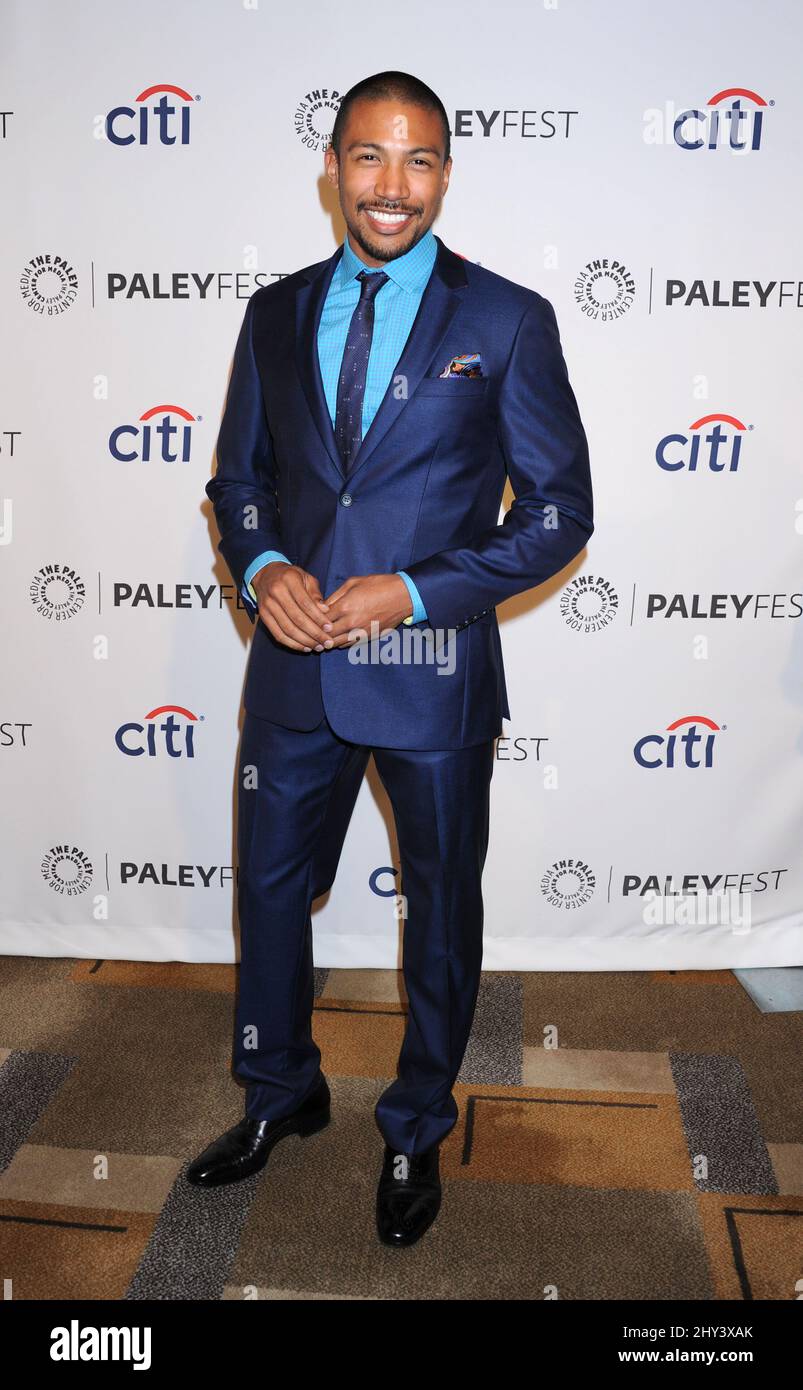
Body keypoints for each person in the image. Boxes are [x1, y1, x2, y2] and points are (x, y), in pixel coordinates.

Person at [188, 70, 594, 1248]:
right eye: (369, 157)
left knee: (437, 909)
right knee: (268, 888)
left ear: (446, 175)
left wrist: (411, 588)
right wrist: (265, 573)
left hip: (430, 668)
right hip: (295, 659)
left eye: (417, 162)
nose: (391, 186)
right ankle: (280, 1091)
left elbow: (557, 512)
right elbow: (239, 481)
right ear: (333, 168)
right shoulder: (271, 311)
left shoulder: (504, 318)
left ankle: (416, 1122)